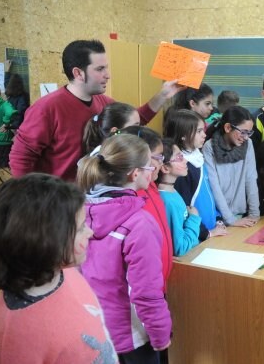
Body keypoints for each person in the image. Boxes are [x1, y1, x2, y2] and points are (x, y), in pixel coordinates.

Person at [0, 173, 117, 364]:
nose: (91, 233)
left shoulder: (64, 271)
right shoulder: (11, 343)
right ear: (46, 242)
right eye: (82, 227)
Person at [9, 39, 183, 181]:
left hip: (92, 199)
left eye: (106, 67)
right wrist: (33, 200)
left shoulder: (103, 102)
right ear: (78, 73)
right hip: (59, 204)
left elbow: (133, 122)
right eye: (100, 69)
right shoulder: (46, 108)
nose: (108, 75)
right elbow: (21, 158)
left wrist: (164, 94)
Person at [77, 134, 171, 363]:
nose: (153, 170)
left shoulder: (80, 209)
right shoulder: (140, 223)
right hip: (132, 336)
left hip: (95, 328)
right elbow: (147, 292)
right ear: (135, 173)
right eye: (150, 165)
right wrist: (160, 335)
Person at [121, 126, 174, 288]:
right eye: (157, 157)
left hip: (159, 281)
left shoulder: (151, 185)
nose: (161, 162)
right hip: (143, 289)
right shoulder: (129, 198)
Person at [164, 109, 227, 239]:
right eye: (199, 131)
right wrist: (206, 233)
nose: (204, 135)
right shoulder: (182, 169)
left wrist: (218, 218)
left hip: (211, 228)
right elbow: (186, 210)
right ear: (183, 135)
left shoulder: (198, 157)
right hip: (198, 235)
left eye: (203, 130)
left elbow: (208, 194)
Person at [202, 106, 260, 227]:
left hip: (240, 213)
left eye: (249, 132)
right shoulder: (209, 147)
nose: (246, 137)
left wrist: (254, 214)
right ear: (228, 127)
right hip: (218, 216)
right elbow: (214, 187)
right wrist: (230, 220)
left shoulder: (248, 144)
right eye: (243, 132)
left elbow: (251, 178)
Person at [158, 138, 202, 256]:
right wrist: (194, 218)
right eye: (179, 157)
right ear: (165, 168)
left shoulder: (171, 191)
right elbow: (180, 248)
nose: (185, 161)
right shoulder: (167, 201)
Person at [4, 60, 30, 130]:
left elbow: (6, 81)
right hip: (16, 126)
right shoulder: (22, 98)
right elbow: (19, 115)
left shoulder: (8, 92)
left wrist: (7, 70)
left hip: (9, 124)